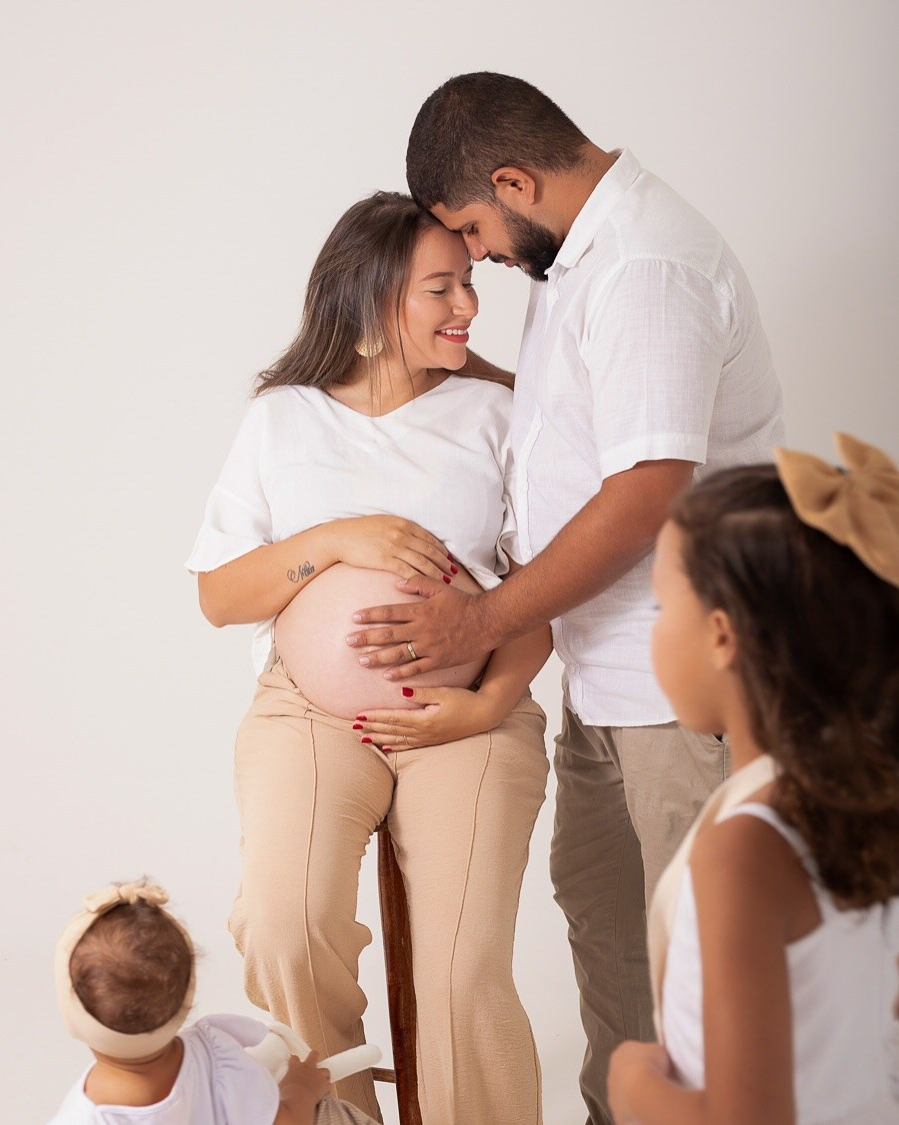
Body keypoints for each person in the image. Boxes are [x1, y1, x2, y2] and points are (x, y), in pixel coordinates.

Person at [344, 72, 784, 1123]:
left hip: (683, 686)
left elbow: (645, 494)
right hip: (608, 670)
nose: (480, 258)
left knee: (700, 952)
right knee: (604, 911)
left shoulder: (644, 269)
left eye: (473, 230)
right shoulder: (580, 262)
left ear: (513, 180)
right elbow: (564, 430)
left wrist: (483, 620)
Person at [186, 191, 552, 1125]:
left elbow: (542, 601)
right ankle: (338, 1114)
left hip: (468, 716)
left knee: (464, 967)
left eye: (469, 283)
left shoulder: (499, 412)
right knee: (282, 921)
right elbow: (221, 594)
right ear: (369, 301)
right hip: (311, 714)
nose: (468, 305)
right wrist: (340, 538)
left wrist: (485, 703)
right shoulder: (283, 420)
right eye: (441, 288)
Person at [607, 433, 899, 1124]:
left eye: (657, 607)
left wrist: (631, 1081)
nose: (653, 631)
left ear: (719, 634)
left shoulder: (745, 846)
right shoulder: (865, 797)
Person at [50, 880, 380, 1124]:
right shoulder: (216, 1053)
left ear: (72, 1016)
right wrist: (301, 1089)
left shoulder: (84, 1117)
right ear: (186, 998)